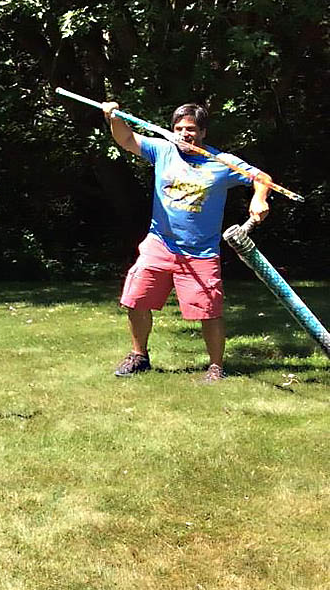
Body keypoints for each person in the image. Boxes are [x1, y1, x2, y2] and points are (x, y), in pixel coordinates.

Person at [102, 101, 271, 383]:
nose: (184, 133)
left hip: (201, 252)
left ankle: (216, 367)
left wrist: (259, 197)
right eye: (178, 128)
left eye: (190, 129)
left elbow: (261, 177)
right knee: (136, 300)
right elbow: (127, 139)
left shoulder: (221, 163)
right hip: (160, 244)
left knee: (209, 311)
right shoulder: (164, 150)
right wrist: (113, 117)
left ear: (203, 132)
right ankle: (139, 356)